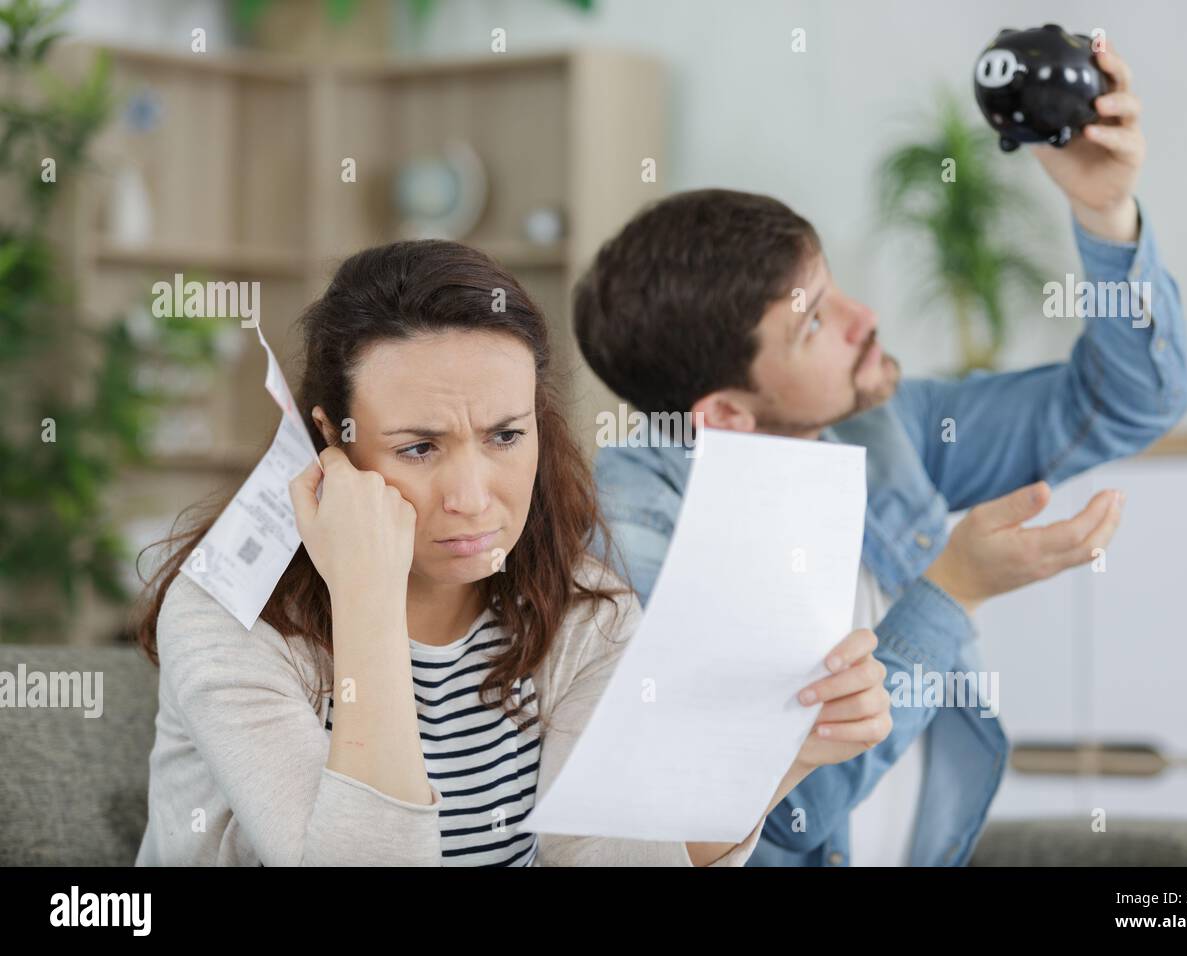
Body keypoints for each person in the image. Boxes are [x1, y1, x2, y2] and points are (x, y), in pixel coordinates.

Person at [574, 45, 1187, 866]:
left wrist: (1106, 217)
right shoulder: (633, 539)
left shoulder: (873, 426)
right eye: (815, 323)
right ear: (724, 414)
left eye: (832, 289)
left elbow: (1126, 401)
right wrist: (952, 592)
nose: (865, 318)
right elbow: (771, 829)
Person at [132, 239, 892, 866]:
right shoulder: (229, 615)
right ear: (332, 441)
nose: (471, 495)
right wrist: (366, 600)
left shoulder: (583, 611)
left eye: (504, 435)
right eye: (420, 447)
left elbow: (595, 860)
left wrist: (780, 760)